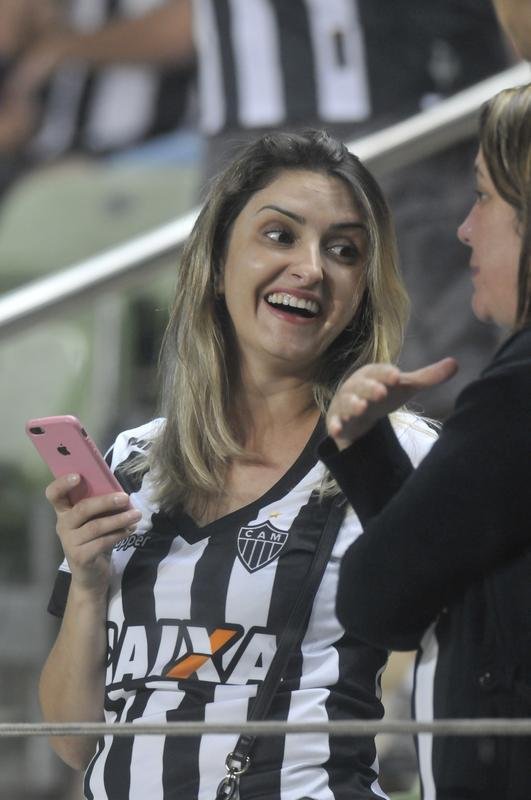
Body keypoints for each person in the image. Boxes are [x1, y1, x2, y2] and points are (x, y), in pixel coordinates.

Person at [39, 129, 440, 799]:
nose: (311, 268)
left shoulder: (400, 459)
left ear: (362, 292)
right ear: (217, 261)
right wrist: (85, 583)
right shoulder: (134, 459)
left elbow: (469, 669)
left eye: (342, 250)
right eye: (279, 236)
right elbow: (76, 741)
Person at [320, 83, 531, 799]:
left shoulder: (519, 390)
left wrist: (363, 449)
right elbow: (439, 583)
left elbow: (380, 598)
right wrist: (369, 450)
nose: (465, 229)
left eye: (484, 197)